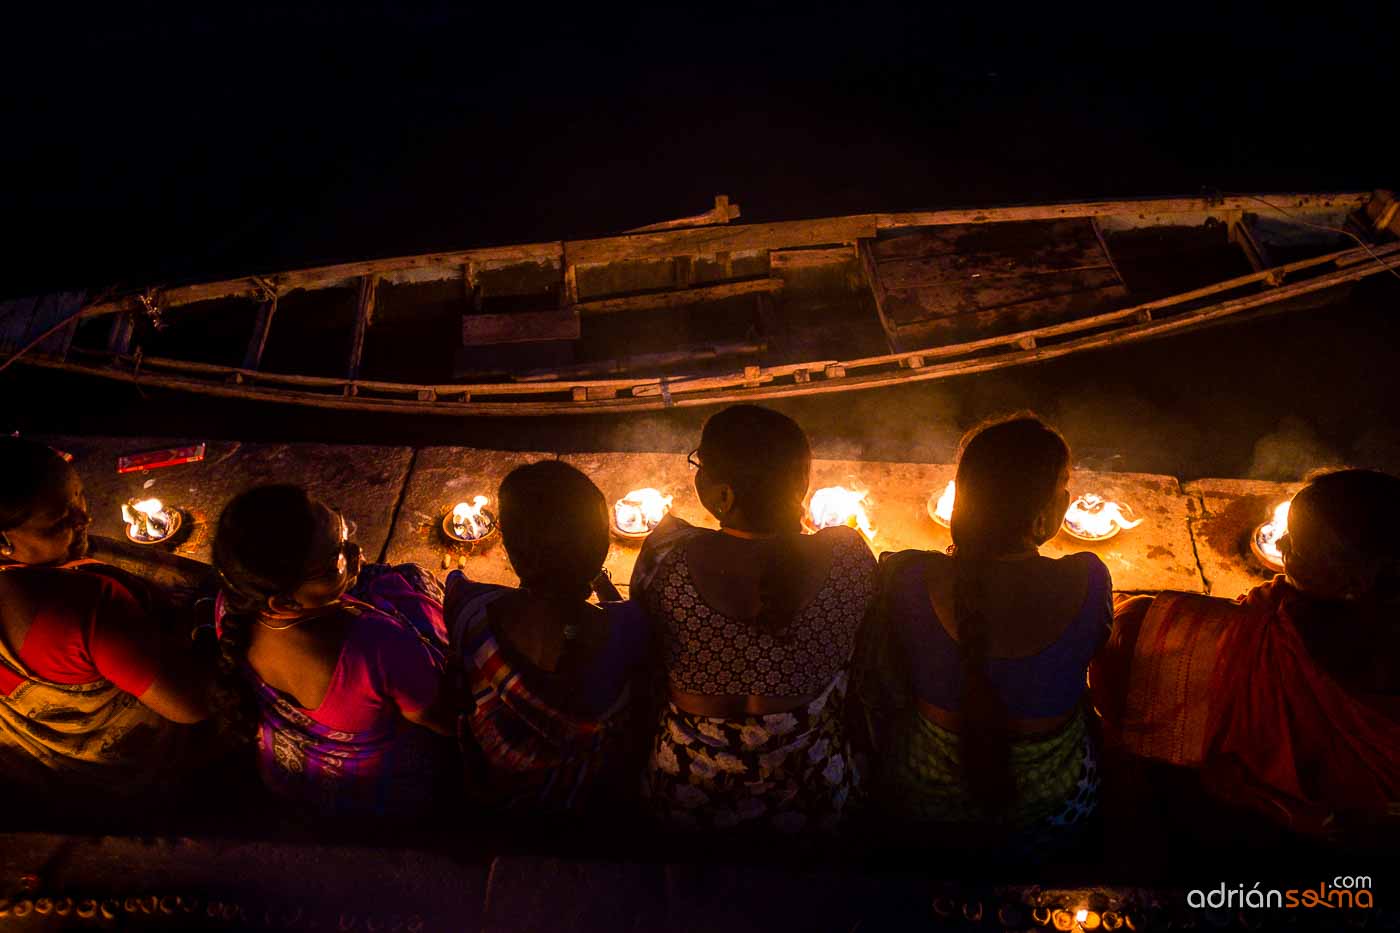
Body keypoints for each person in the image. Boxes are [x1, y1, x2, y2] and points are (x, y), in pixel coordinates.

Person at [1091, 469, 1400, 838]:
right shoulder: (1351, 598)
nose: (1281, 544)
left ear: (1354, 584)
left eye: (1297, 548)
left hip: (1334, 824)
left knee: (1127, 635)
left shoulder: (1350, 658)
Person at [855, 414, 1110, 858]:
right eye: (1063, 489)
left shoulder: (908, 575)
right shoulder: (1089, 580)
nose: (1068, 497)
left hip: (920, 806)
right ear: (1043, 520)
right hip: (1053, 814)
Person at [631, 405, 876, 833]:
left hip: (685, 800)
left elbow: (646, 653)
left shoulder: (665, 558)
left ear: (723, 496)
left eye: (699, 466)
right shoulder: (848, 559)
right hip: (814, 802)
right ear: (801, 483)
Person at [211, 484, 454, 819]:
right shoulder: (374, 644)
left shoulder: (231, 608)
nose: (354, 550)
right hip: (375, 792)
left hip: (287, 777)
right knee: (413, 585)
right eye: (335, 559)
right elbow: (440, 718)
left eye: (340, 530)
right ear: (285, 601)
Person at [0, 437, 207, 800]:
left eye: (78, 496)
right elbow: (191, 707)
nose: (86, 519)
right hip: (123, 777)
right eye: (60, 521)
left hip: (35, 772)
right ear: (3, 541)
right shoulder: (85, 606)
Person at [445, 460, 649, 812]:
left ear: (513, 551)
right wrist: (599, 582)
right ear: (600, 547)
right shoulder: (629, 628)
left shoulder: (470, 609)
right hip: (588, 793)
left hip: (504, 783)